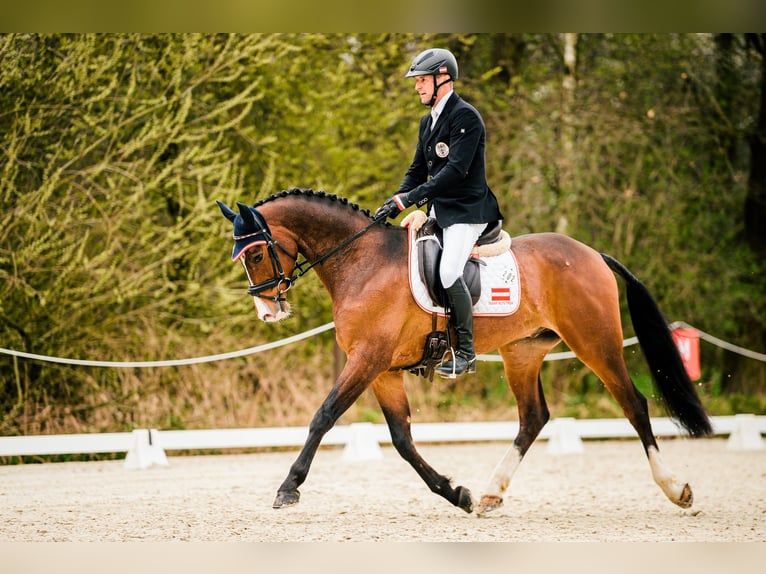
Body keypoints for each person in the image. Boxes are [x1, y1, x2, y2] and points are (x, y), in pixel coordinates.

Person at [376, 48, 504, 378]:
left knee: (448, 272)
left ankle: (465, 352)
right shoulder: (427, 122)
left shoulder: (466, 117)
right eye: (417, 81)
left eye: (421, 81)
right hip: (440, 211)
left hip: (467, 211)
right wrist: (396, 198)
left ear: (442, 79)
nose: (417, 87)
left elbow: (455, 172)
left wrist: (410, 201)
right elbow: (418, 170)